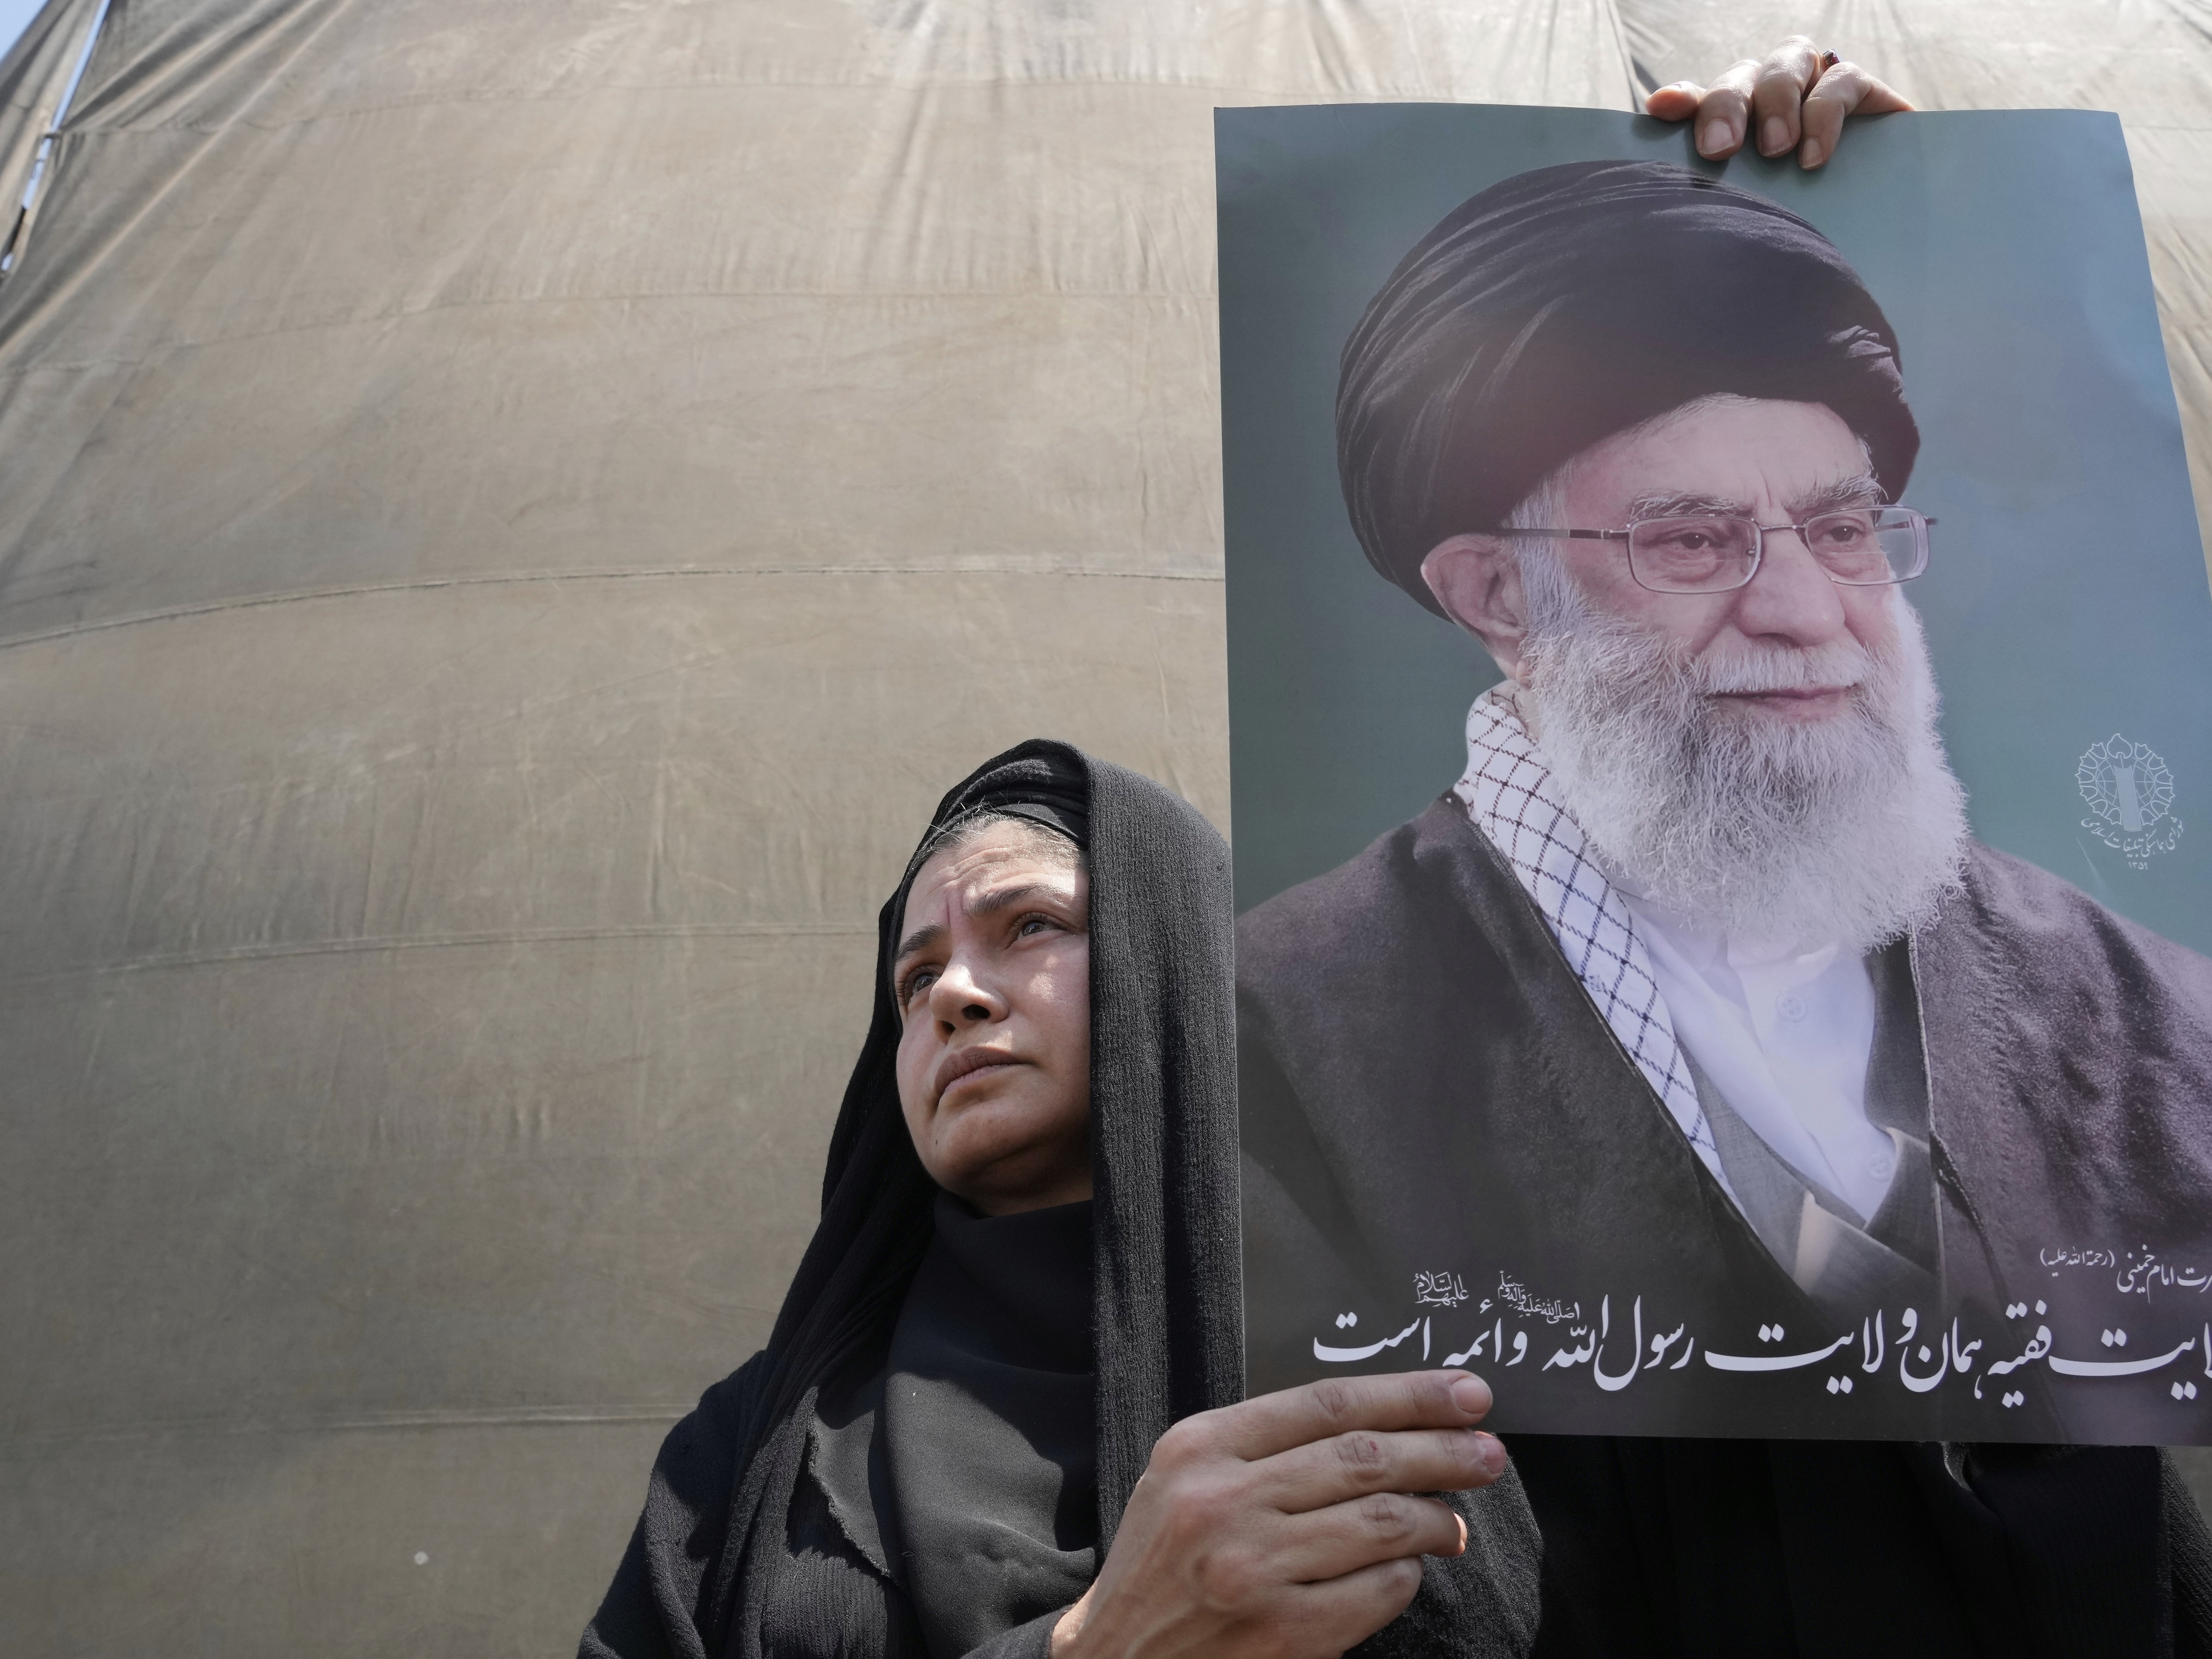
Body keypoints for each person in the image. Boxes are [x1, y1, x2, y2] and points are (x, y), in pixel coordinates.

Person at [1235, 126, 2212, 1656]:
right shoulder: (1273, 1038)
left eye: (1842, 527)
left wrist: (1838, 156)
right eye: (1692, 539)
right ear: (1497, 597)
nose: (1807, 607)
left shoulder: (2151, 1008)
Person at [579, 740, 1539, 1659]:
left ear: (1170, 965)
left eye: (1028, 925)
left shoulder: (1431, 1355)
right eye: (913, 979)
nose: (953, 993)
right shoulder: (742, 1455)